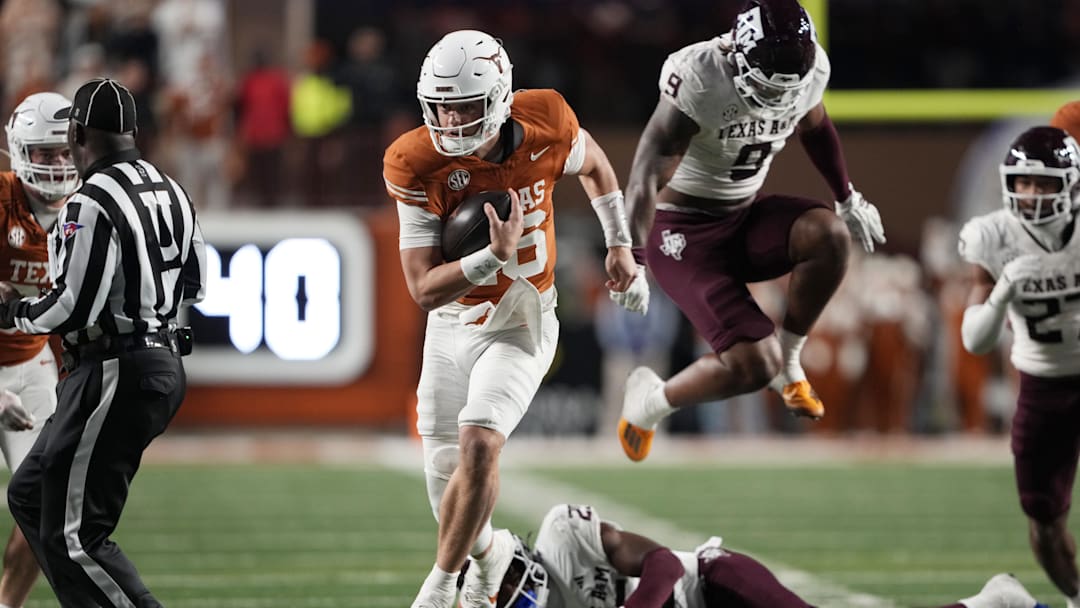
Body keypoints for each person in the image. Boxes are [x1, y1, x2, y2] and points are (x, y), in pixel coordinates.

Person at [382, 30, 643, 608]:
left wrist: (619, 244)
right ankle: (494, 558)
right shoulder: (414, 159)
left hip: (522, 319)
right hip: (452, 322)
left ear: (500, 98)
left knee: (479, 446)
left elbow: (596, 165)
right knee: (447, 486)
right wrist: (489, 257)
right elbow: (423, 288)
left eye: (464, 107)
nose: (449, 122)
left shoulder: (547, 117)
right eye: (440, 106)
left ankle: (441, 588)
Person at [615, 0, 885, 462]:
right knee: (755, 366)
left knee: (830, 235)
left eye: (787, 90)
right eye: (765, 86)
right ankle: (652, 401)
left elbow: (816, 128)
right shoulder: (700, 76)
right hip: (683, 234)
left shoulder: (811, 69)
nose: (777, 100)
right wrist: (633, 257)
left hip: (743, 217)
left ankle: (791, 356)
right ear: (737, 59)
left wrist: (846, 195)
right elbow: (646, 172)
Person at [0, 78, 206, 607]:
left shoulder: (88, 200)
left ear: (77, 134)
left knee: (78, 536)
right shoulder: (172, 188)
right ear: (133, 131)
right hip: (157, 355)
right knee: (29, 494)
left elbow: (73, 306)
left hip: (113, 366)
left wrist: (16, 312)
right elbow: (199, 282)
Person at [478, 503, 1046, 608]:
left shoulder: (561, 536)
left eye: (509, 587)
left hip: (710, 583)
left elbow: (665, 565)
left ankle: (992, 602)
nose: (516, 599)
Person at [957, 125, 1080, 608]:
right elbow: (974, 340)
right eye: (1022, 183)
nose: (1030, 194)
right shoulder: (993, 237)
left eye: (1043, 183)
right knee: (1044, 516)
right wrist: (1005, 287)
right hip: (1043, 381)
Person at [0, 91, 80, 608]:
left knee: (43, 509)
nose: (57, 164)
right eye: (44, 153)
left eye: (63, 152)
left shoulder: (87, 210)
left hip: (32, 367)